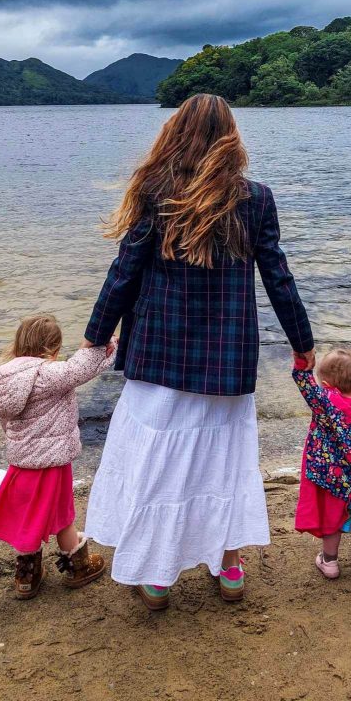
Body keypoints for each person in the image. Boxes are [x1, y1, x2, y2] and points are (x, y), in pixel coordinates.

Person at [81, 93, 315, 610]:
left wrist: (95, 336)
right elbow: (278, 277)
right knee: (225, 462)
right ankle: (228, 565)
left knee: (158, 463)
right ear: (231, 138)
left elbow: (125, 272)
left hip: (159, 355)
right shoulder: (255, 198)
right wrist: (303, 344)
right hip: (226, 358)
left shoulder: (154, 191)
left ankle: (158, 575)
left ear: (176, 133)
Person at [0, 313, 114, 599]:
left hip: (21, 462)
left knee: (29, 517)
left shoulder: (3, 378)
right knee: (63, 516)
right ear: (52, 349)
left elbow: (6, 422)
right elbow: (82, 366)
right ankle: (78, 567)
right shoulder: (46, 374)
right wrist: (110, 344)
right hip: (53, 461)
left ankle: (27, 577)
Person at [292, 346, 351, 580]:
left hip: (337, 480)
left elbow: (306, 386)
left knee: (333, 517)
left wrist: (301, 365)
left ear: (326, 385)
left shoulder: (327, 405)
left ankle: (330, 561)